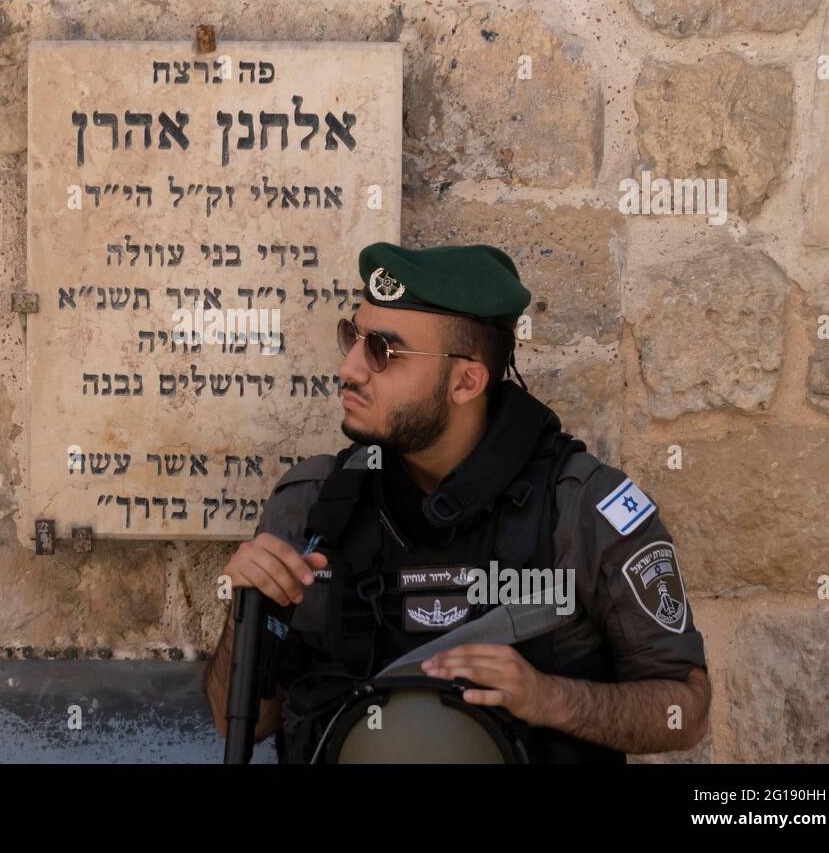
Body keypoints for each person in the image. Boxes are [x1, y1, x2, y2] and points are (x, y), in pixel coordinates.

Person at [202, 242, 711, 762]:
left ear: (466, 380)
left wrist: (549, 698)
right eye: (351, 337)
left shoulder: (582, 509)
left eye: (382, 351)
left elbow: (684, 710)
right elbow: (233, 721)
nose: (350, 368)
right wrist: (246, 614)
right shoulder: (313, 505)